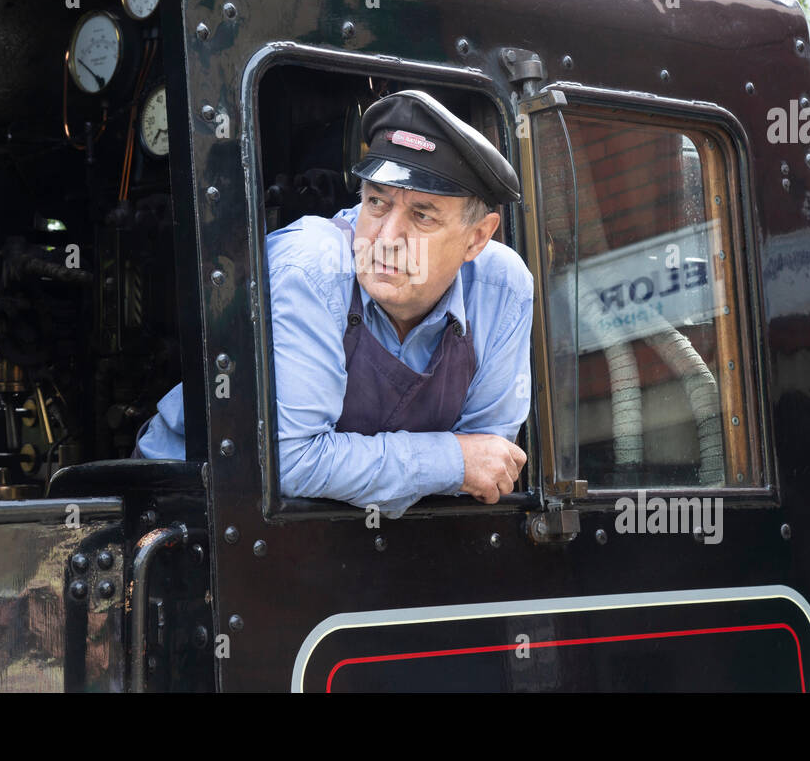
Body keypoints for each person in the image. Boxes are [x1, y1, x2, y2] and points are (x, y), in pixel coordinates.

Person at [134, 89, 533, 517]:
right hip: (181, 510)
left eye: (422, 215)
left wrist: (448, 466)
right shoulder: (310, 268)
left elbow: (491, 463)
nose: (385, 238)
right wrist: (450, 461)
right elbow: (291, 462)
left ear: (476, 237)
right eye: (377, 201)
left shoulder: (503, 288)